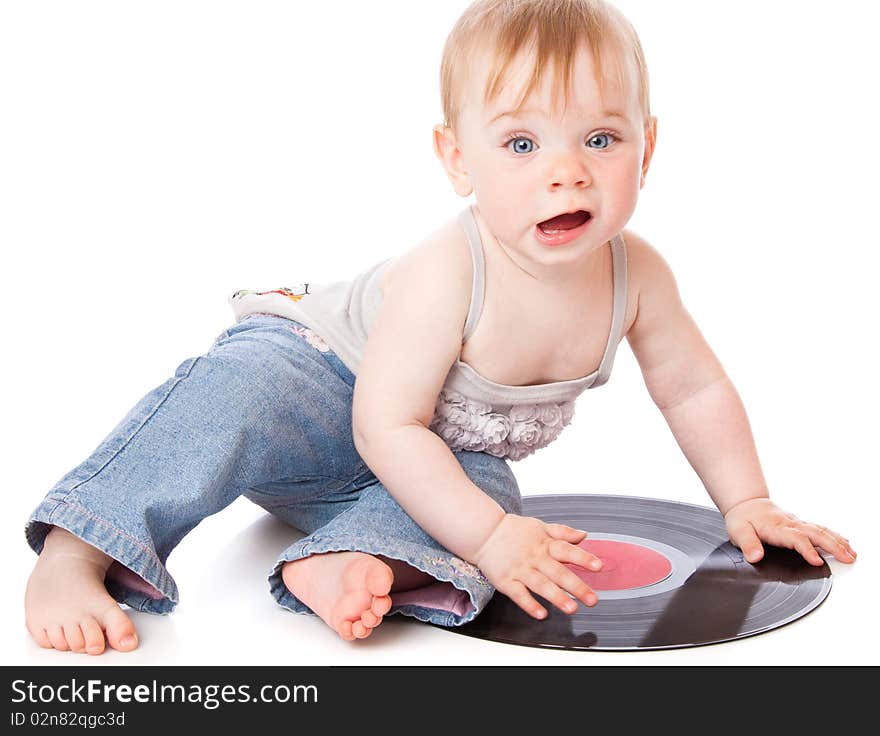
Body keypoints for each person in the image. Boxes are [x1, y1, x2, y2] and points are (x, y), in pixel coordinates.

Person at [23, 0, 856, 655]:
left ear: (648, 148)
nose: (565, 170)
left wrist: (746, 499)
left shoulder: (640, 276)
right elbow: (382, 420)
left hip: (415, 453)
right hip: (322, 386)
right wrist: (489, 539)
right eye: (521, 142)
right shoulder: (448, 269)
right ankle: (81, 548)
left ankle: (347, 561)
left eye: (600, 137)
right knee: (238, 393)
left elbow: (694, 385)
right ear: (457, 158)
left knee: (493, 497)